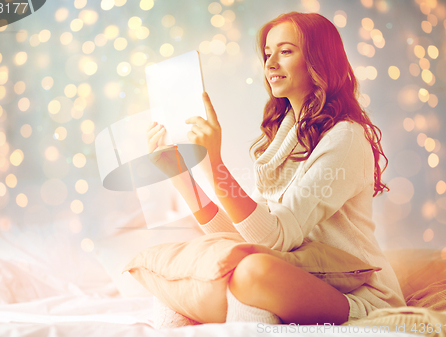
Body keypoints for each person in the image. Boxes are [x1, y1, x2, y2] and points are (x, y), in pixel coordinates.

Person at [147, 12, 406, 325]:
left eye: (285, 52)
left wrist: (215, 163)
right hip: (303, 276)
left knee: (251, 272)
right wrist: (180, 177)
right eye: (268, 54)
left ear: (319, 61)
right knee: (191, 281)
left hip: (358, 294)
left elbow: (274, 238)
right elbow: (244, 236)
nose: (269, 64)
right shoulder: (281, 139)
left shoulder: (345, 137)